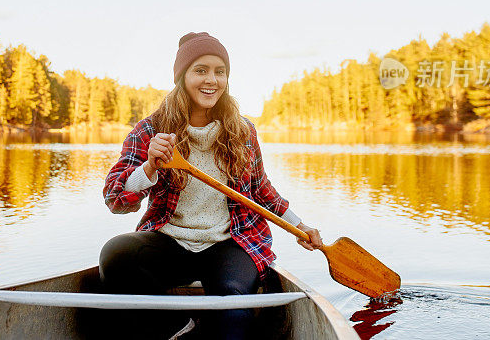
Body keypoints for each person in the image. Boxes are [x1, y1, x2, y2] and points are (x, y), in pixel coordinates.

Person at [100, 31, 323, 340]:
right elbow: (116, 198)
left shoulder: (242, 131)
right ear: (182, 77)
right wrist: (150, 166)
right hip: (170, 242)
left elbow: (262, 191)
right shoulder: (151, 130)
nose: (211, 80)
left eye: (220, 72)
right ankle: (179, 327)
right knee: (114, 255)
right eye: (200, 70)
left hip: (231, 242)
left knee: (232, 304)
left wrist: (301, 226)